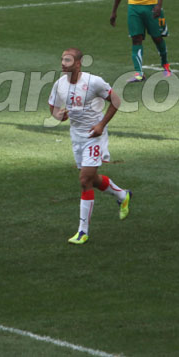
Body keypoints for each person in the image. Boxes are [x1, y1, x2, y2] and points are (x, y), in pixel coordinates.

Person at [48, 49, 132, 245]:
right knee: (92, 178)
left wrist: (101, 124)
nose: (63, 63)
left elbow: (116, 101)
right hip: (76, 137)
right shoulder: (59, 84)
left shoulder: (94, 82)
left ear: (78, 64)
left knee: (84, 179)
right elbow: (52, 105)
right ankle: (122, 194)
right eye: (62, 59)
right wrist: (58, 115)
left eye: (67, 60)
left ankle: (82, 231)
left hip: (95, 136)